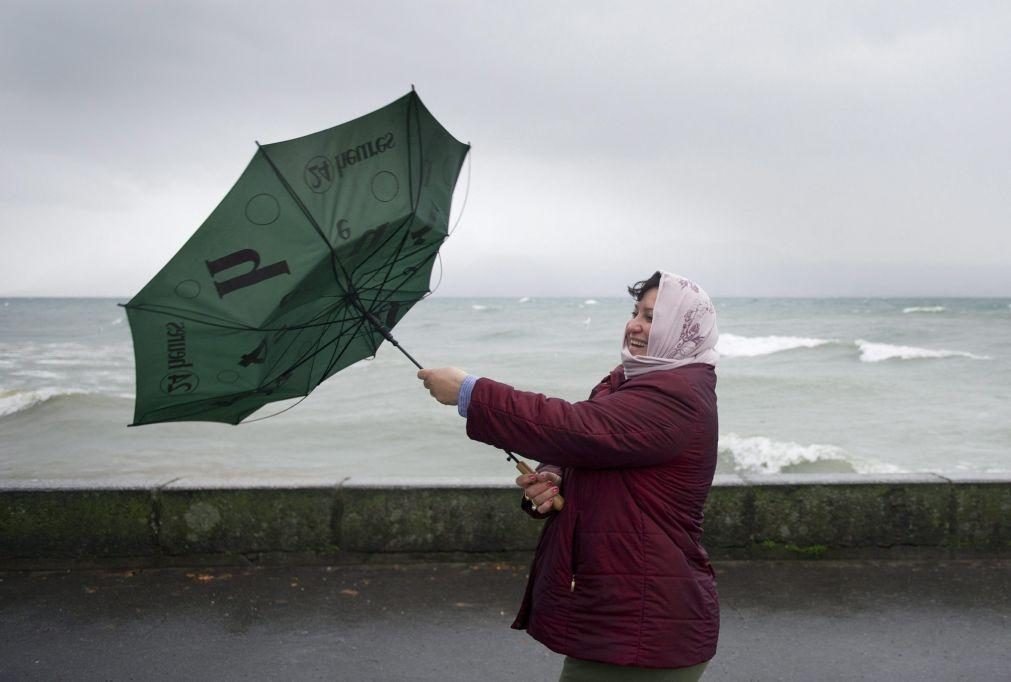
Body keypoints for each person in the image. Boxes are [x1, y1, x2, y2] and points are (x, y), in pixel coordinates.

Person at [418, 271, 720, 681]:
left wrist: (472, 392)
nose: (634, 325)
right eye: (635, 313)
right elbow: (587, 445)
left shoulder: (676, 397)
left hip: (648, 623)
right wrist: (553, 475)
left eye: (651, 317)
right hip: (626, 616)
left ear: (681, 328)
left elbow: (579, 428)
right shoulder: (626, 382)